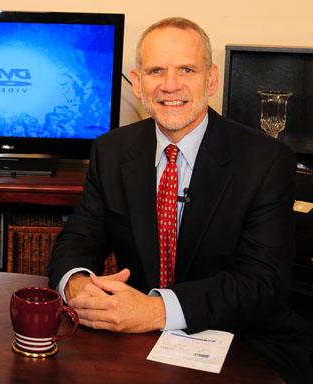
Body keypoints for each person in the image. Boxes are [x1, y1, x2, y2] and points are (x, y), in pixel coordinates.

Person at [48, 17, 312, 383]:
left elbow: (263, 283)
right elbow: (77, 240)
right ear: (139, 84)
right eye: (157, 70)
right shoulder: (111, 151)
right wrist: (77, 285)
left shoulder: (266, 161)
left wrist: (156, 310)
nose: (171, 85)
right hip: (137, 344)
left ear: (211, 78)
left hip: (244, 342)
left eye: (186, 69)